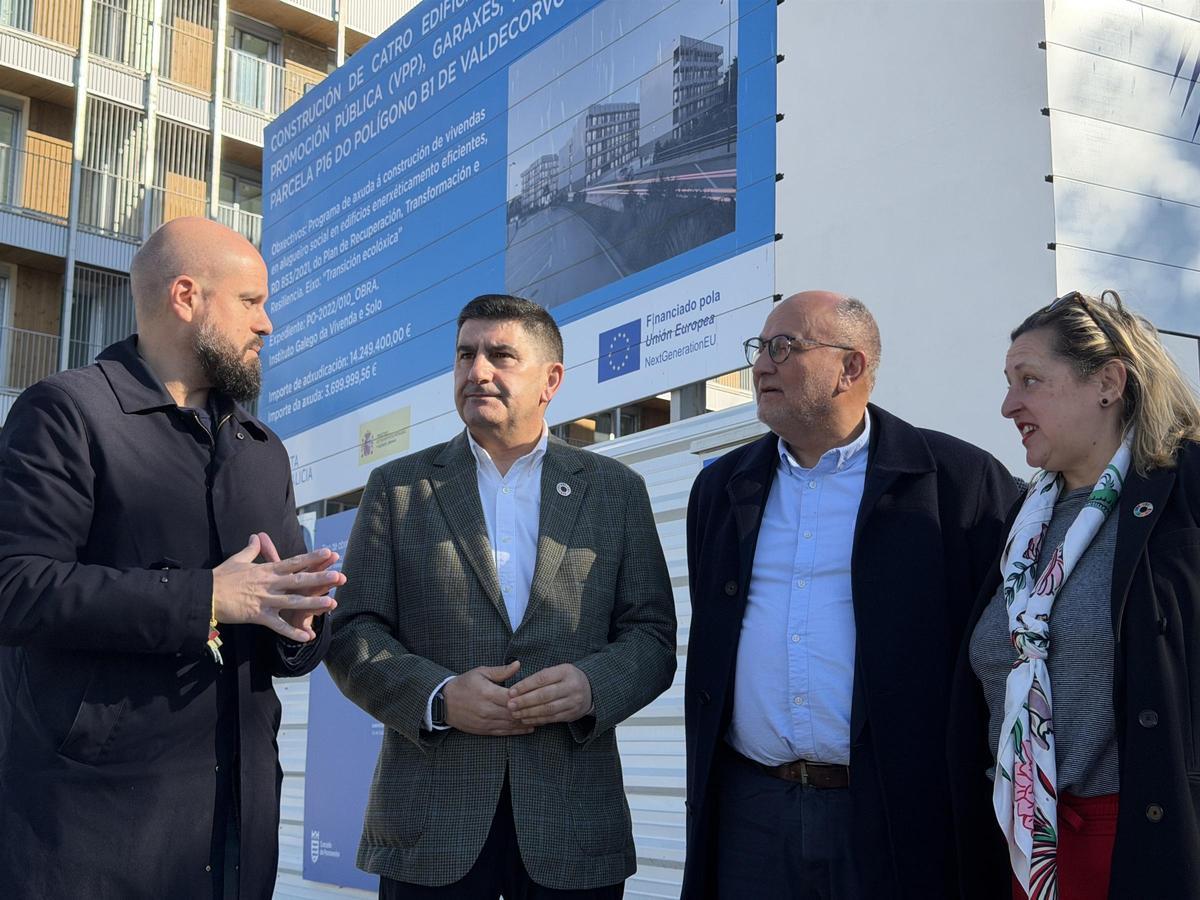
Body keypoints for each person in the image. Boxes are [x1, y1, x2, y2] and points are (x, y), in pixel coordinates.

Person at [0, 217, 344, 900]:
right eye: (252, 302)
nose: (268, 325)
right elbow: (17, 587)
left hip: (238, 827)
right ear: (186, 296)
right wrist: (207, 600)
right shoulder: (66, 413)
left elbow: (277, 618)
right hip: (94, 827)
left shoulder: (261, 447)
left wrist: (305, 622)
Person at [326, 294, 676, 899]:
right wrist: (439, 697)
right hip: (432, 832)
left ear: (551, 380)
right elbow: (352, 632)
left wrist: (593, 687)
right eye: (465, 355)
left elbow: (651, 636)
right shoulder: (398, 488)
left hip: (572, 828)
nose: (477, 371)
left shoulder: (616, 492)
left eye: (501, 355)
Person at [682, 290, 1018, 899]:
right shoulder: (721, 489)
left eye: (784, 348)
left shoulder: (959, 481)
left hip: (896, 809)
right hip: (752, 809)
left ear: (852, 367)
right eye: (759, 349)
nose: (761, 366)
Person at [950, 290, 1200, 900]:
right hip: (1022, 845)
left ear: (1108, 382)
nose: (1009, 405)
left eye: (1030, 380)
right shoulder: (1023, 522)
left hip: (1140, 848)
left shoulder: (1187, 496)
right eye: (1009, 383)